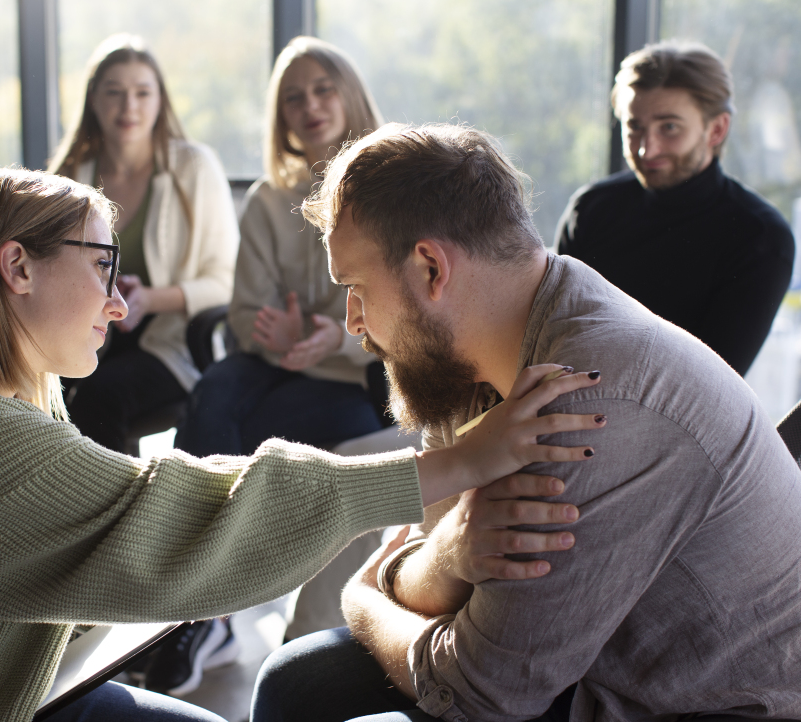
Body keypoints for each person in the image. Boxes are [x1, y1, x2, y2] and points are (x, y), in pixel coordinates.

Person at [0, 166, 604, 722]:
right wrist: (453, 464)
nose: (118, 303)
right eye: (100, 266)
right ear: (17, 268)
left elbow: (141, 502)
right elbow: (171, 513)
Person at [250, 122, 801, 722]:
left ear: (431, 268)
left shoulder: (588, 400)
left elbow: (477, 695)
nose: (353, 322)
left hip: (694, 709)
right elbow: (420, 552)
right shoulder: (482, 345)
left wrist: (360, 598)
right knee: (292, 682)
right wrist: (450, 555)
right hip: (592, 669)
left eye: (355, 287)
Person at [177, 36, 386, 458]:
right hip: (269, 361)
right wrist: (283, 338)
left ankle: (228, 523)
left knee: (251, 430)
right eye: (294, 98)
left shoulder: (387, 190)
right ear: (282, 115)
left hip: (353, 372)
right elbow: (245, 311)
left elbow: (407, 310)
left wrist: (336, 339)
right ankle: (187, 523)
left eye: (323, 89)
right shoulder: (267, 199)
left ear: (349, 93)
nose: (310, 105)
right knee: (207, 403)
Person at [557, 41, 795, 377]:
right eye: (634, 127)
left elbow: (710, 383)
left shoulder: (760, 238)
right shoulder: (592, 210)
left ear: (716, 129)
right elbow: (554, 338)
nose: (645, 149)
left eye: (669, 127)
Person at [48, 34, 238, 453]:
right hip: (85, 332)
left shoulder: (193, 166)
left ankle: (115, 512)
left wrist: (151, 299)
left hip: (171, 343)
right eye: (114, 92)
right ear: (93, 100)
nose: (128, 106)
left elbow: (226, 282)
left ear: (159, 101)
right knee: (27, 385)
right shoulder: (72, 174)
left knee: (100, 395)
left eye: (142, 92)